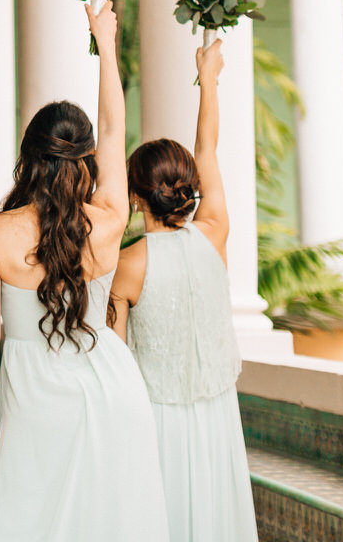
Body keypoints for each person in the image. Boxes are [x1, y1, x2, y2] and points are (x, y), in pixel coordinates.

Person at [0, 2, 169, 542]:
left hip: (33, 399)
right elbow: (113, 124)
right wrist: (105, 42)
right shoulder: (108, 217)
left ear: (28, 156)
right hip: (111, 389)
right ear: (86, 158)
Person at [109, 39, 257, 542]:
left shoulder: (126, 267)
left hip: (156, 421)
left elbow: (115, 358)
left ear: (134, 196)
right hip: (217, 411)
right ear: (188, 187)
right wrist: (208, 79)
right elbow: (208, 147)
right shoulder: (214, 231)